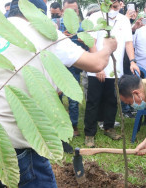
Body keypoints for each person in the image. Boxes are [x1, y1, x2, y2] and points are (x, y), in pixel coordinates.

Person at [0, 0, 117, 187]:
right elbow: (96, 63)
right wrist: (108, 47)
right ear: (38, 15)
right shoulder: (46, 34)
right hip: (7, 144)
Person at [84, 0, 139, 147]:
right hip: (97, 69)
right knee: (93, 101)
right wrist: (98, 66)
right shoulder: (96, 17)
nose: (113, 9)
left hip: (116, 69)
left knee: (112, 100)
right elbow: (92, 43)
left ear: (121, 5)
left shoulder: (124, 20)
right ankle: (89, 133)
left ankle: (109, 127)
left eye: (116, 6)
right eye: (110, 6)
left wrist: (132, 61)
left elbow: (128, 43)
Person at [52, 0, 88, 137]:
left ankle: (73, 125)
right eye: (68, 11)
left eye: (75, 11)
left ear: (78, 12)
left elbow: (86, 50)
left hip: (73, 68)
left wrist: (84, 43)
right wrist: (61, 38)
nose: (72, 14)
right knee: (56, 97)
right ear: (62, 12)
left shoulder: (81, 28)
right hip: (56, 68)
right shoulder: (55, 27)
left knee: (73, 99)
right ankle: (58, 125)